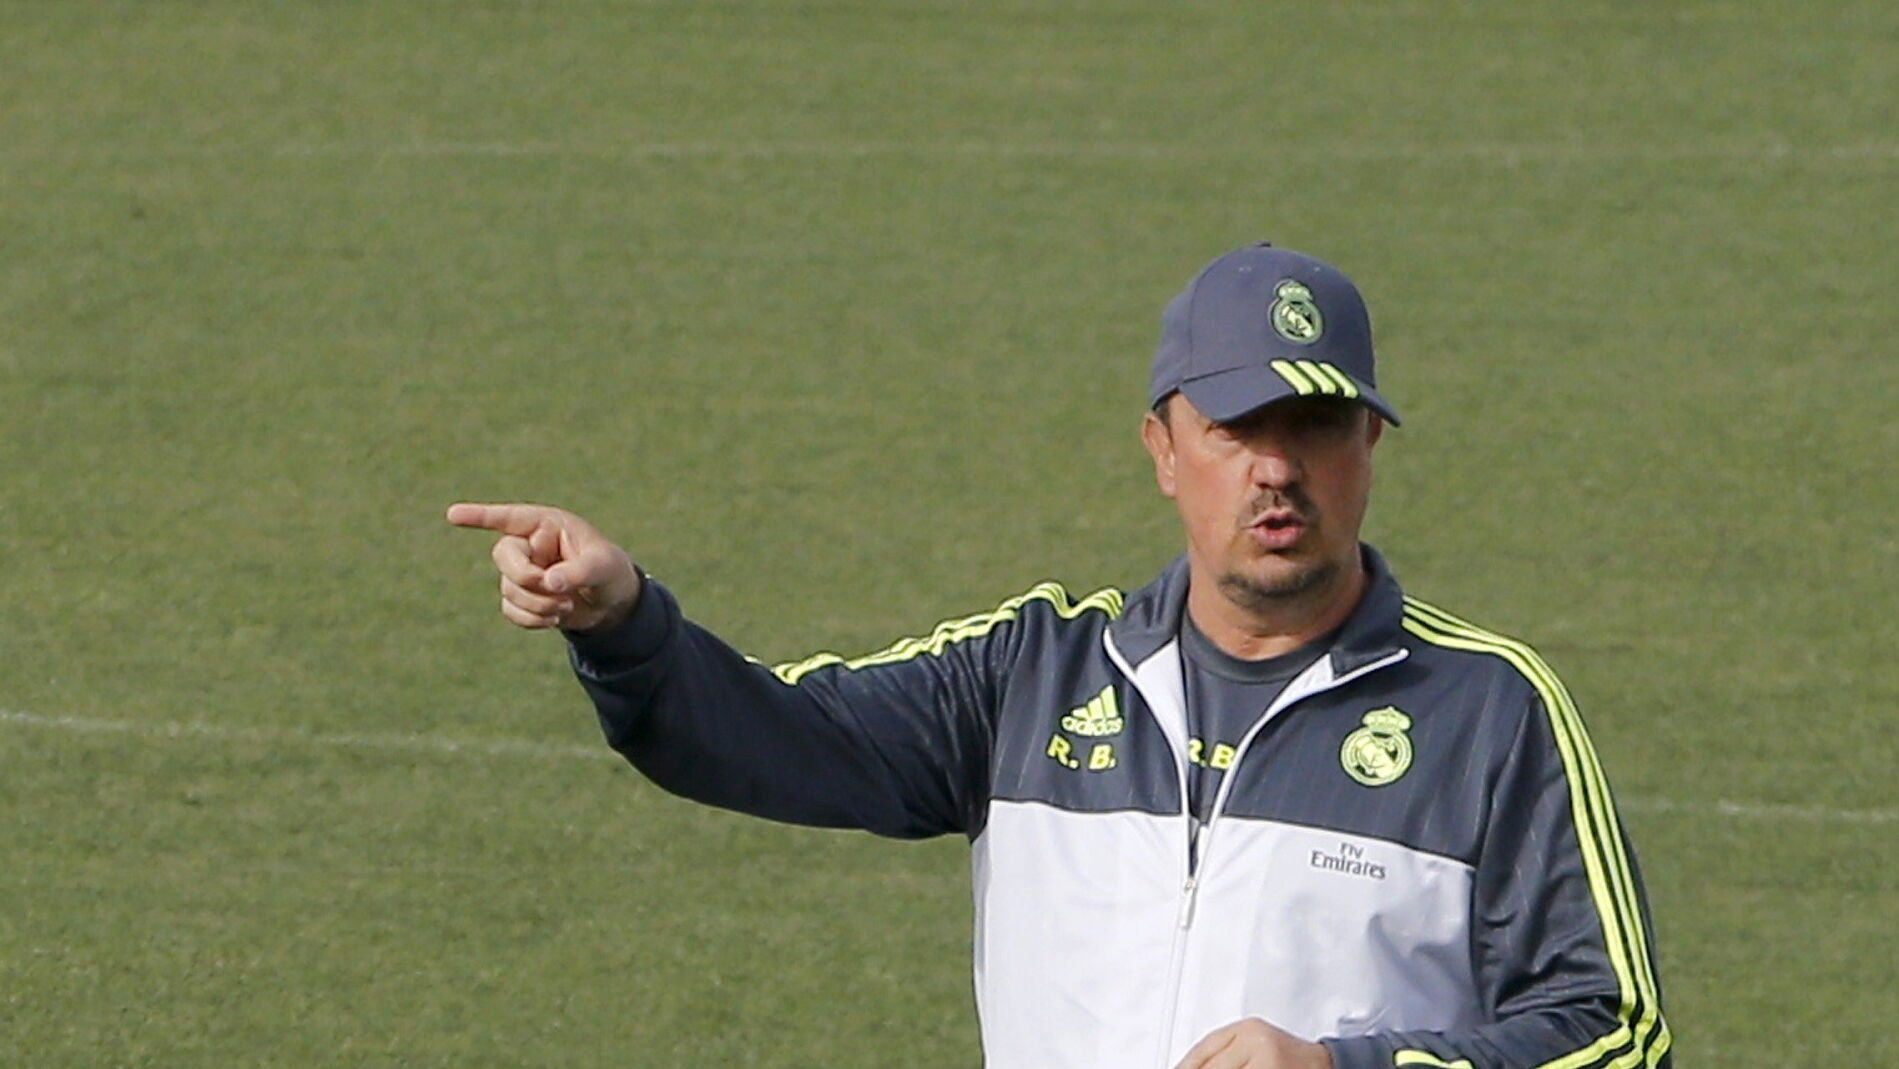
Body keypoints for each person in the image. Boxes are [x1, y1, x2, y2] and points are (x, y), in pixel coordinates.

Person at [448, 242, 1672, 1069]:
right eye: (1238, 425)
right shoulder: (1031, 675)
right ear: (1162, 447)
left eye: (1317, 425)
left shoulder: (1490, 711)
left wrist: (1345, 1068)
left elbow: (1614, 1032)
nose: (1277, 467)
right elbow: (773, 737)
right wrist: (624, 623)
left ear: (1370, 448)